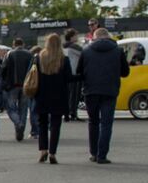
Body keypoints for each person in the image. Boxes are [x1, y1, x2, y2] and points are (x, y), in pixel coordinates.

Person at [77, 28, 128, 163]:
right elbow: (125, 72)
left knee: (93, 122)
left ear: (94, 37)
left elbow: (79, 71)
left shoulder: (86, 51)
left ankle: (93, 153)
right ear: (108, 37)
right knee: (106, 124)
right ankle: (102, 155)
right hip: (110, 91)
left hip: (91, 91)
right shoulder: (118, 51)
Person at [31, 33, 73, 164]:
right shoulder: (64, 59)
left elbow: (33, 75)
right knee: (55, 124)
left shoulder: (39, 58)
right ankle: (52, 153)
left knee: (42, 123)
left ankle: (43, 150)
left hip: (42, 94)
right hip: (58, 95)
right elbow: (69, 78)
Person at [1, 38, 33, 141]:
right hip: (26, 85)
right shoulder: (29, 54)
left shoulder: (9, 54)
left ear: (13, 44)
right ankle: (21, 129)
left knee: (11, 108)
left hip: (12, 85)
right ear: (23, 44)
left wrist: (4, 83)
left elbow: (3, 69)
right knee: (23, 108)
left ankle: (18, 123)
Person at [63, 29, 83, 121]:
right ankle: (73, 112)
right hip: (75, 72)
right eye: (76, 35)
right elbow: (84, 53)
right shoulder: (75, 47)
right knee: (75, 94)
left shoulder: (63, 47)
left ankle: (67, 112)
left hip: (65, 73)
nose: (77, 37)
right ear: (71, 37)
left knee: (67, 94)